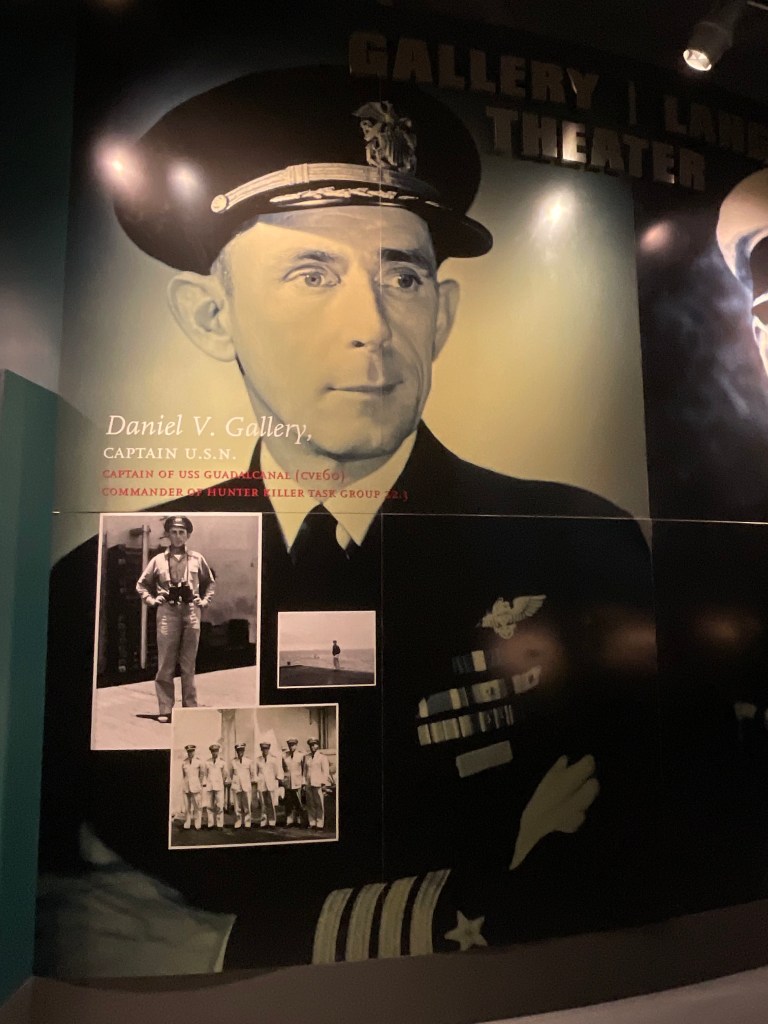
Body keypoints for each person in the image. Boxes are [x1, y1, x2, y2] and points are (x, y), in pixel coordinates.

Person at [39, 66, 657, 977]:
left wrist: (239, 942)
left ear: (442, 316)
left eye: (403, 276)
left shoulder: (575, 545)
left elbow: (642, 851)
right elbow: (79, 906)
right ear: (212, 316)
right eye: (311, 273)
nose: (372, 324)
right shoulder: (104, 587)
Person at [135, 516, 215, 722]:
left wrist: (204, 601)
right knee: (166, 664)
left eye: (181, 532)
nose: (178, 536)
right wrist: (152, 600)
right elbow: (141, 584)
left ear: (188, 535)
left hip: (191, 612)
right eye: (174, 532)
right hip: (167, 613)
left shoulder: (197, 559)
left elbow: (210, 582)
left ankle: (190, 709)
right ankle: (165, 709)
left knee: (188, 665)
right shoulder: (158, 560)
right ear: (168, 534)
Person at [303, 738, 331, 831]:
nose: (312, 747)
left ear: (318, 745)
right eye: (311, 745)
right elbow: (304, 771)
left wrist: (323, 783)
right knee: (310, 803)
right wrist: (304, 783)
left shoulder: (322, 757)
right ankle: (312, 823)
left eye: (314, 744)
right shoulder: (306, 757)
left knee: (319, 803)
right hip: (308, 783)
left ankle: (319, 823)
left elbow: (325, 772)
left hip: (318, 783)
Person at [254, 741, 282, 828]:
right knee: (263, 804)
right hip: (262, 784)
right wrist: (258, 780)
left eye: (266, 749)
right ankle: (263, 821)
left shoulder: (274, 759)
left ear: (269, 749)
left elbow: (277, 772)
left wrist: (276, 781)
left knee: (271, 803)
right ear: (261, 750)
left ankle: (272, 822)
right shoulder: (258, 760)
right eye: (263, 749)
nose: (265, 751)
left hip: (271, 783)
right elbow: (255, 772)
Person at [229, 743, 254, 830]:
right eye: (238, 750)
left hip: (246, 785)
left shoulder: (248, 761)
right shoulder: (233, 762)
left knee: (247, 805)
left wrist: (248, 782)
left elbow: (252, 774)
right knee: (237, 806)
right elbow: (231, 774)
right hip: (236, 785)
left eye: (241, 750)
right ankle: (238, 822)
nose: (240, 752)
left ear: (244, 751)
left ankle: (247, 823)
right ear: (236, 751)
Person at [282, 738, 306, 828]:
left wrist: (303, 782)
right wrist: (283, 780)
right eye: (290, 745)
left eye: (293, 745)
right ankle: (289, 821)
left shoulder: (301, 756)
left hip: (297, 782)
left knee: (298, 802)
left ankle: (300, 821)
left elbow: (304, 770)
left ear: (296, 745)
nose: (291, 747)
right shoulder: (284, 756)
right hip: (288, 782)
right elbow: (283, 768)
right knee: (288, 803)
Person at [180, 744, 205, 831]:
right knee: (187, 806)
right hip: (186, 787)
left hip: (196, 787)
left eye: (191, 751)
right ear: (187, 752)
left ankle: (197, 824)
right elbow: (184, 775)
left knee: (197, 806)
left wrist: (199, 784)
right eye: (189, 752)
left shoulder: (199, 762)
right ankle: (187, 823)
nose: (190, 753)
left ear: (194, 751)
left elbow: (202, 774)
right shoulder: (184, 762)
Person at [204, 743, 227, 829]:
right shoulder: (207, 762)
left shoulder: (222, 762)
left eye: (216, 751)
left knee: (219, 806)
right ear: (211, 752)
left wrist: (221, 782)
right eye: (213, 751)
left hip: (219, 786)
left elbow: (225, 774)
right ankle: (210, 824)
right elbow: (205, 774)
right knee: (209, 806)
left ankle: (219, 824)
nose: (214, 753)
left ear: (218, 751)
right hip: (210, 786)